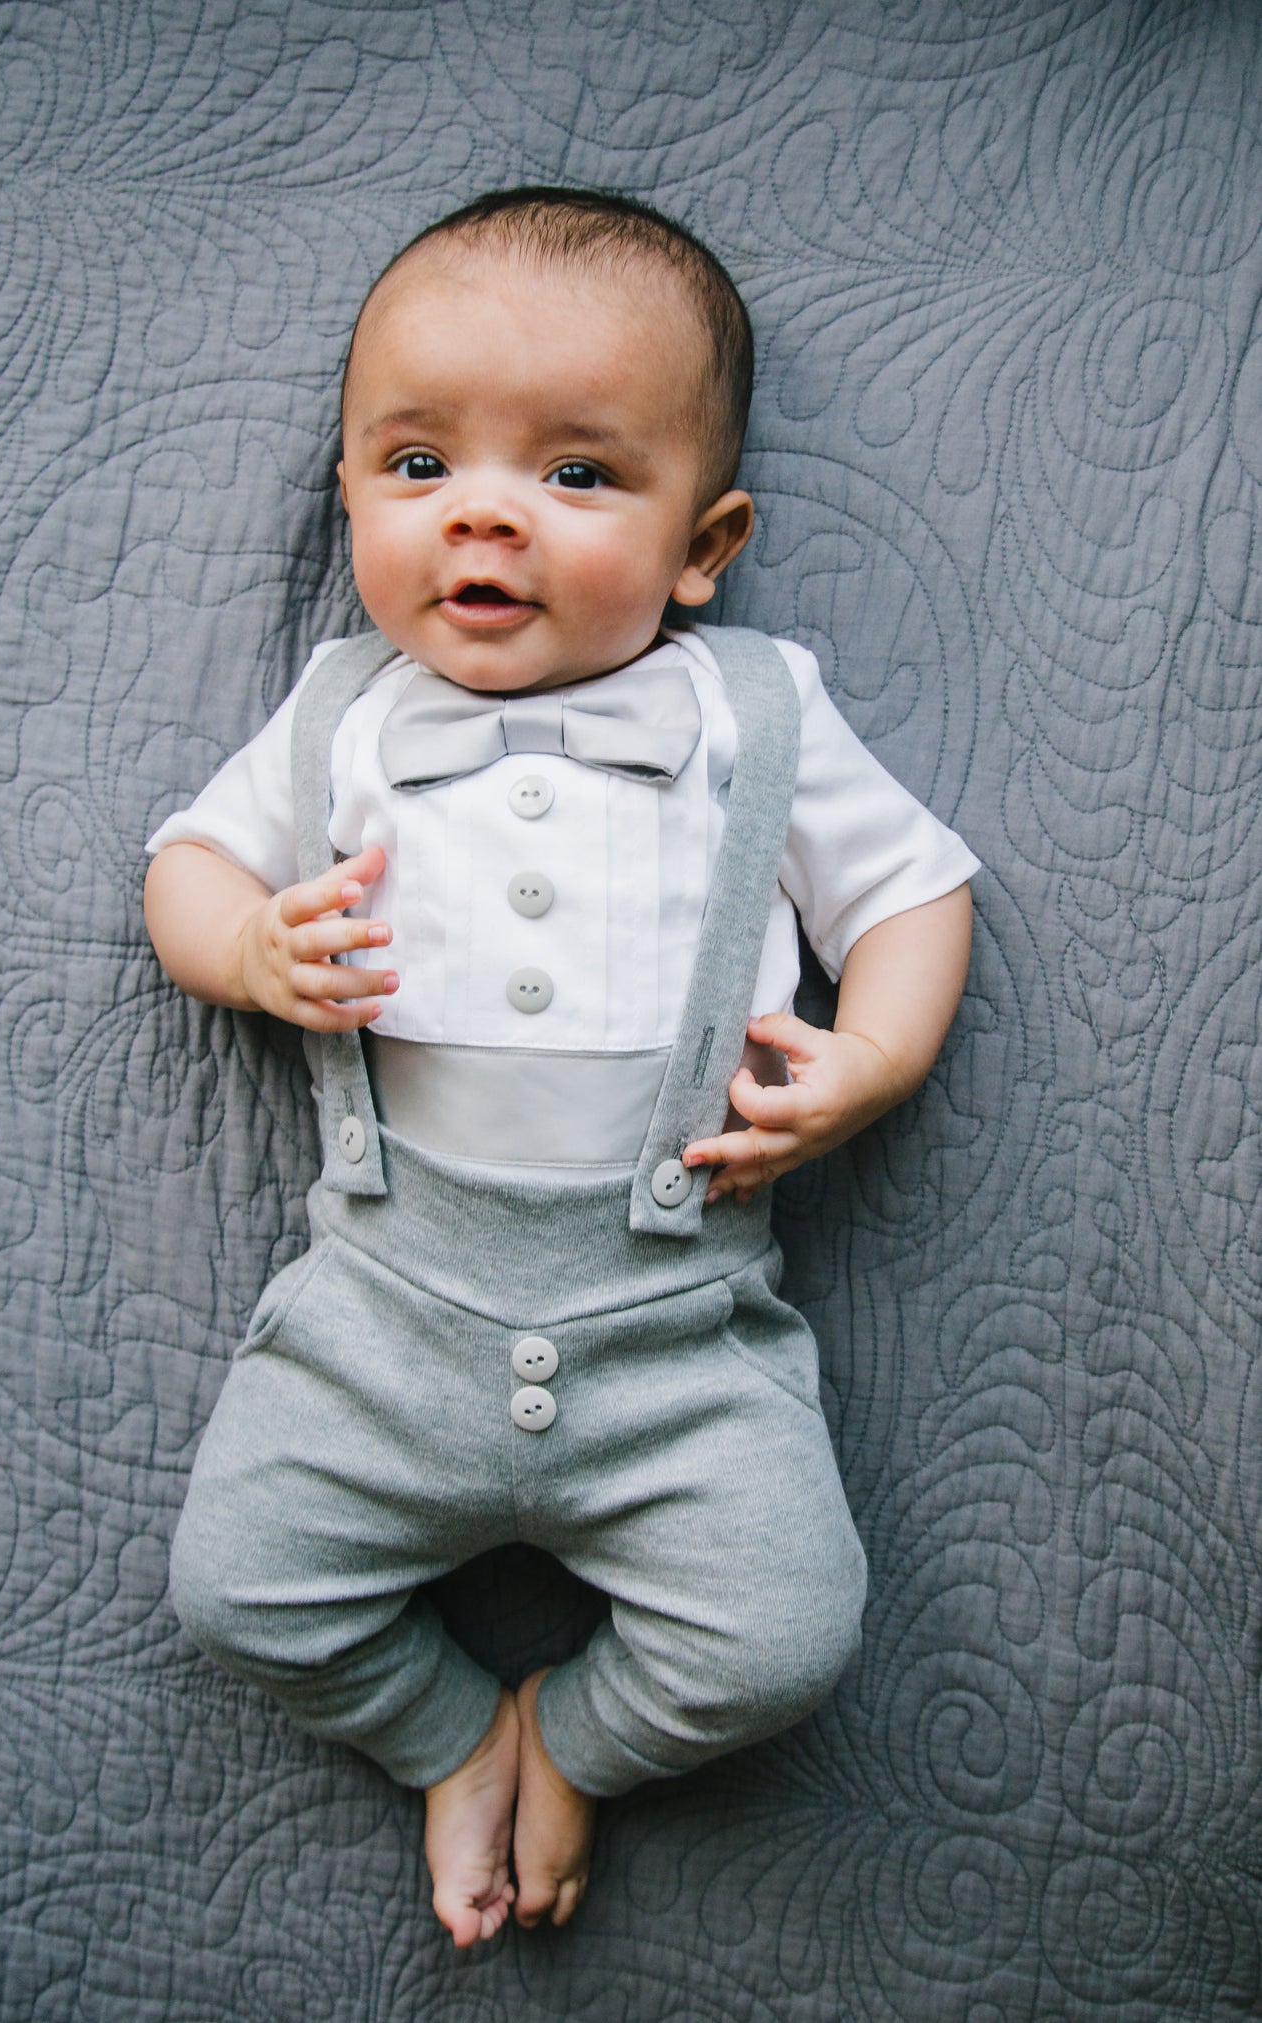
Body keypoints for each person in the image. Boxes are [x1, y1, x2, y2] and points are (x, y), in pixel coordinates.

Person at [143, 186, 979, 1951]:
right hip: (382, 1306)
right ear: (352, 496)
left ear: (705, 540)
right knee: (235, 1593)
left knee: (781, 1640)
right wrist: (245, 949)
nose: (490, 516)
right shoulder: (338, 718)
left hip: (677, 1328)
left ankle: (570, 1740)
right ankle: (450, 1736)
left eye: (579, 476)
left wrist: (872, 1060)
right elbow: (184, 869)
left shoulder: (755, 712)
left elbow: (914, 889)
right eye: (419, 463)